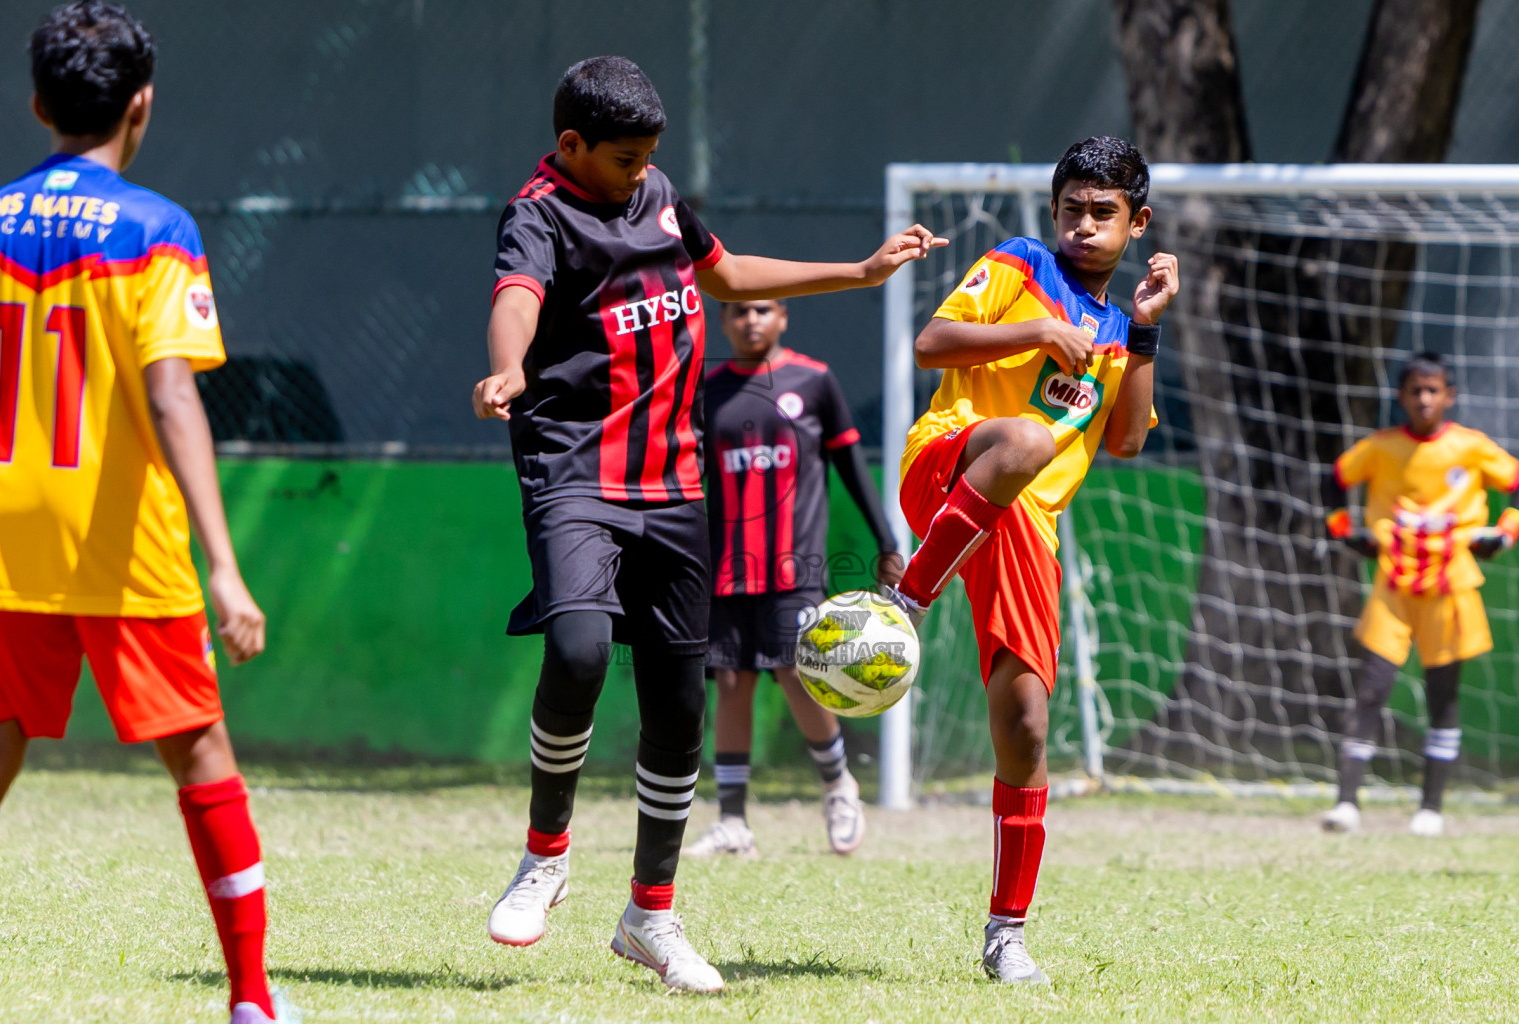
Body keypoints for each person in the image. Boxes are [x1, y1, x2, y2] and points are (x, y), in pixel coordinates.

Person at [472, 56, 942, 993]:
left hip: (678, 490)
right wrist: (509, 367)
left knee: (679, 708)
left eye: (652, 155)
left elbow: (722, 274)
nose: (641, 170)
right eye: (624, 157)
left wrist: (857, 270)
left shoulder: (659, 193)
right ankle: (545, 856)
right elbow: (515, 295)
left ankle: (651, 916)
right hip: (576, 477)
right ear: (573, 147)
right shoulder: (539, 212)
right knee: (575, 654)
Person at [0, 5, 294, 1022]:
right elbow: (171, 394)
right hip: (120, 541)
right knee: (201, 751)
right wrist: (226, 565)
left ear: (37, 106)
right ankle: (250, 998)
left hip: (2, 536)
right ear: (143, 104)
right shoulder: (157, 229)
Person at [885, 137, 1178, 984]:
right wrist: (1037, 328)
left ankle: (1007, 931)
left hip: (1024, 531)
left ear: (1137, 222)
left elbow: (1123, 441)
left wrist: (1148, 334)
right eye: (1072, 210)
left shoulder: (1121, 334)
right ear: (1052, 214)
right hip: (949, 470)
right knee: (1022, 437)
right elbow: (934, 344)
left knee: (1025, 733)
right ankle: (907, 597)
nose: (1084, 227)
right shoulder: (1017, 265)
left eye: (1104, 213)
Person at [683, 298, 900, 859]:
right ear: (723, 321)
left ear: (783, 316)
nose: (749, 320)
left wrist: (886, 542)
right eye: (736, 311)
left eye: (762, 309)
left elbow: (851, 466)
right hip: (725, 566)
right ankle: (733, 823)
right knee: (730, 683)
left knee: (795, 672)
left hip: (794, 566)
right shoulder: (707, 389)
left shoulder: (814, 380)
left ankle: (838, 786)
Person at [1323, 352, 1519, 837]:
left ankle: (1431, 808)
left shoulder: (1471, 447)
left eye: (1434, 390)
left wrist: (1507, 530)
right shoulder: (1381, 447)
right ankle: (1346, 804)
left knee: (1443, 695)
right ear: (1401, 396)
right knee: (1372, 688)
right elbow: (1336, 479)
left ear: (1450, 396)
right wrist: (1345, 530)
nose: (1424, 399)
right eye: (1416, 390)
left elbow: (1514, 483)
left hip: (1451, 586)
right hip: (1394, 584)